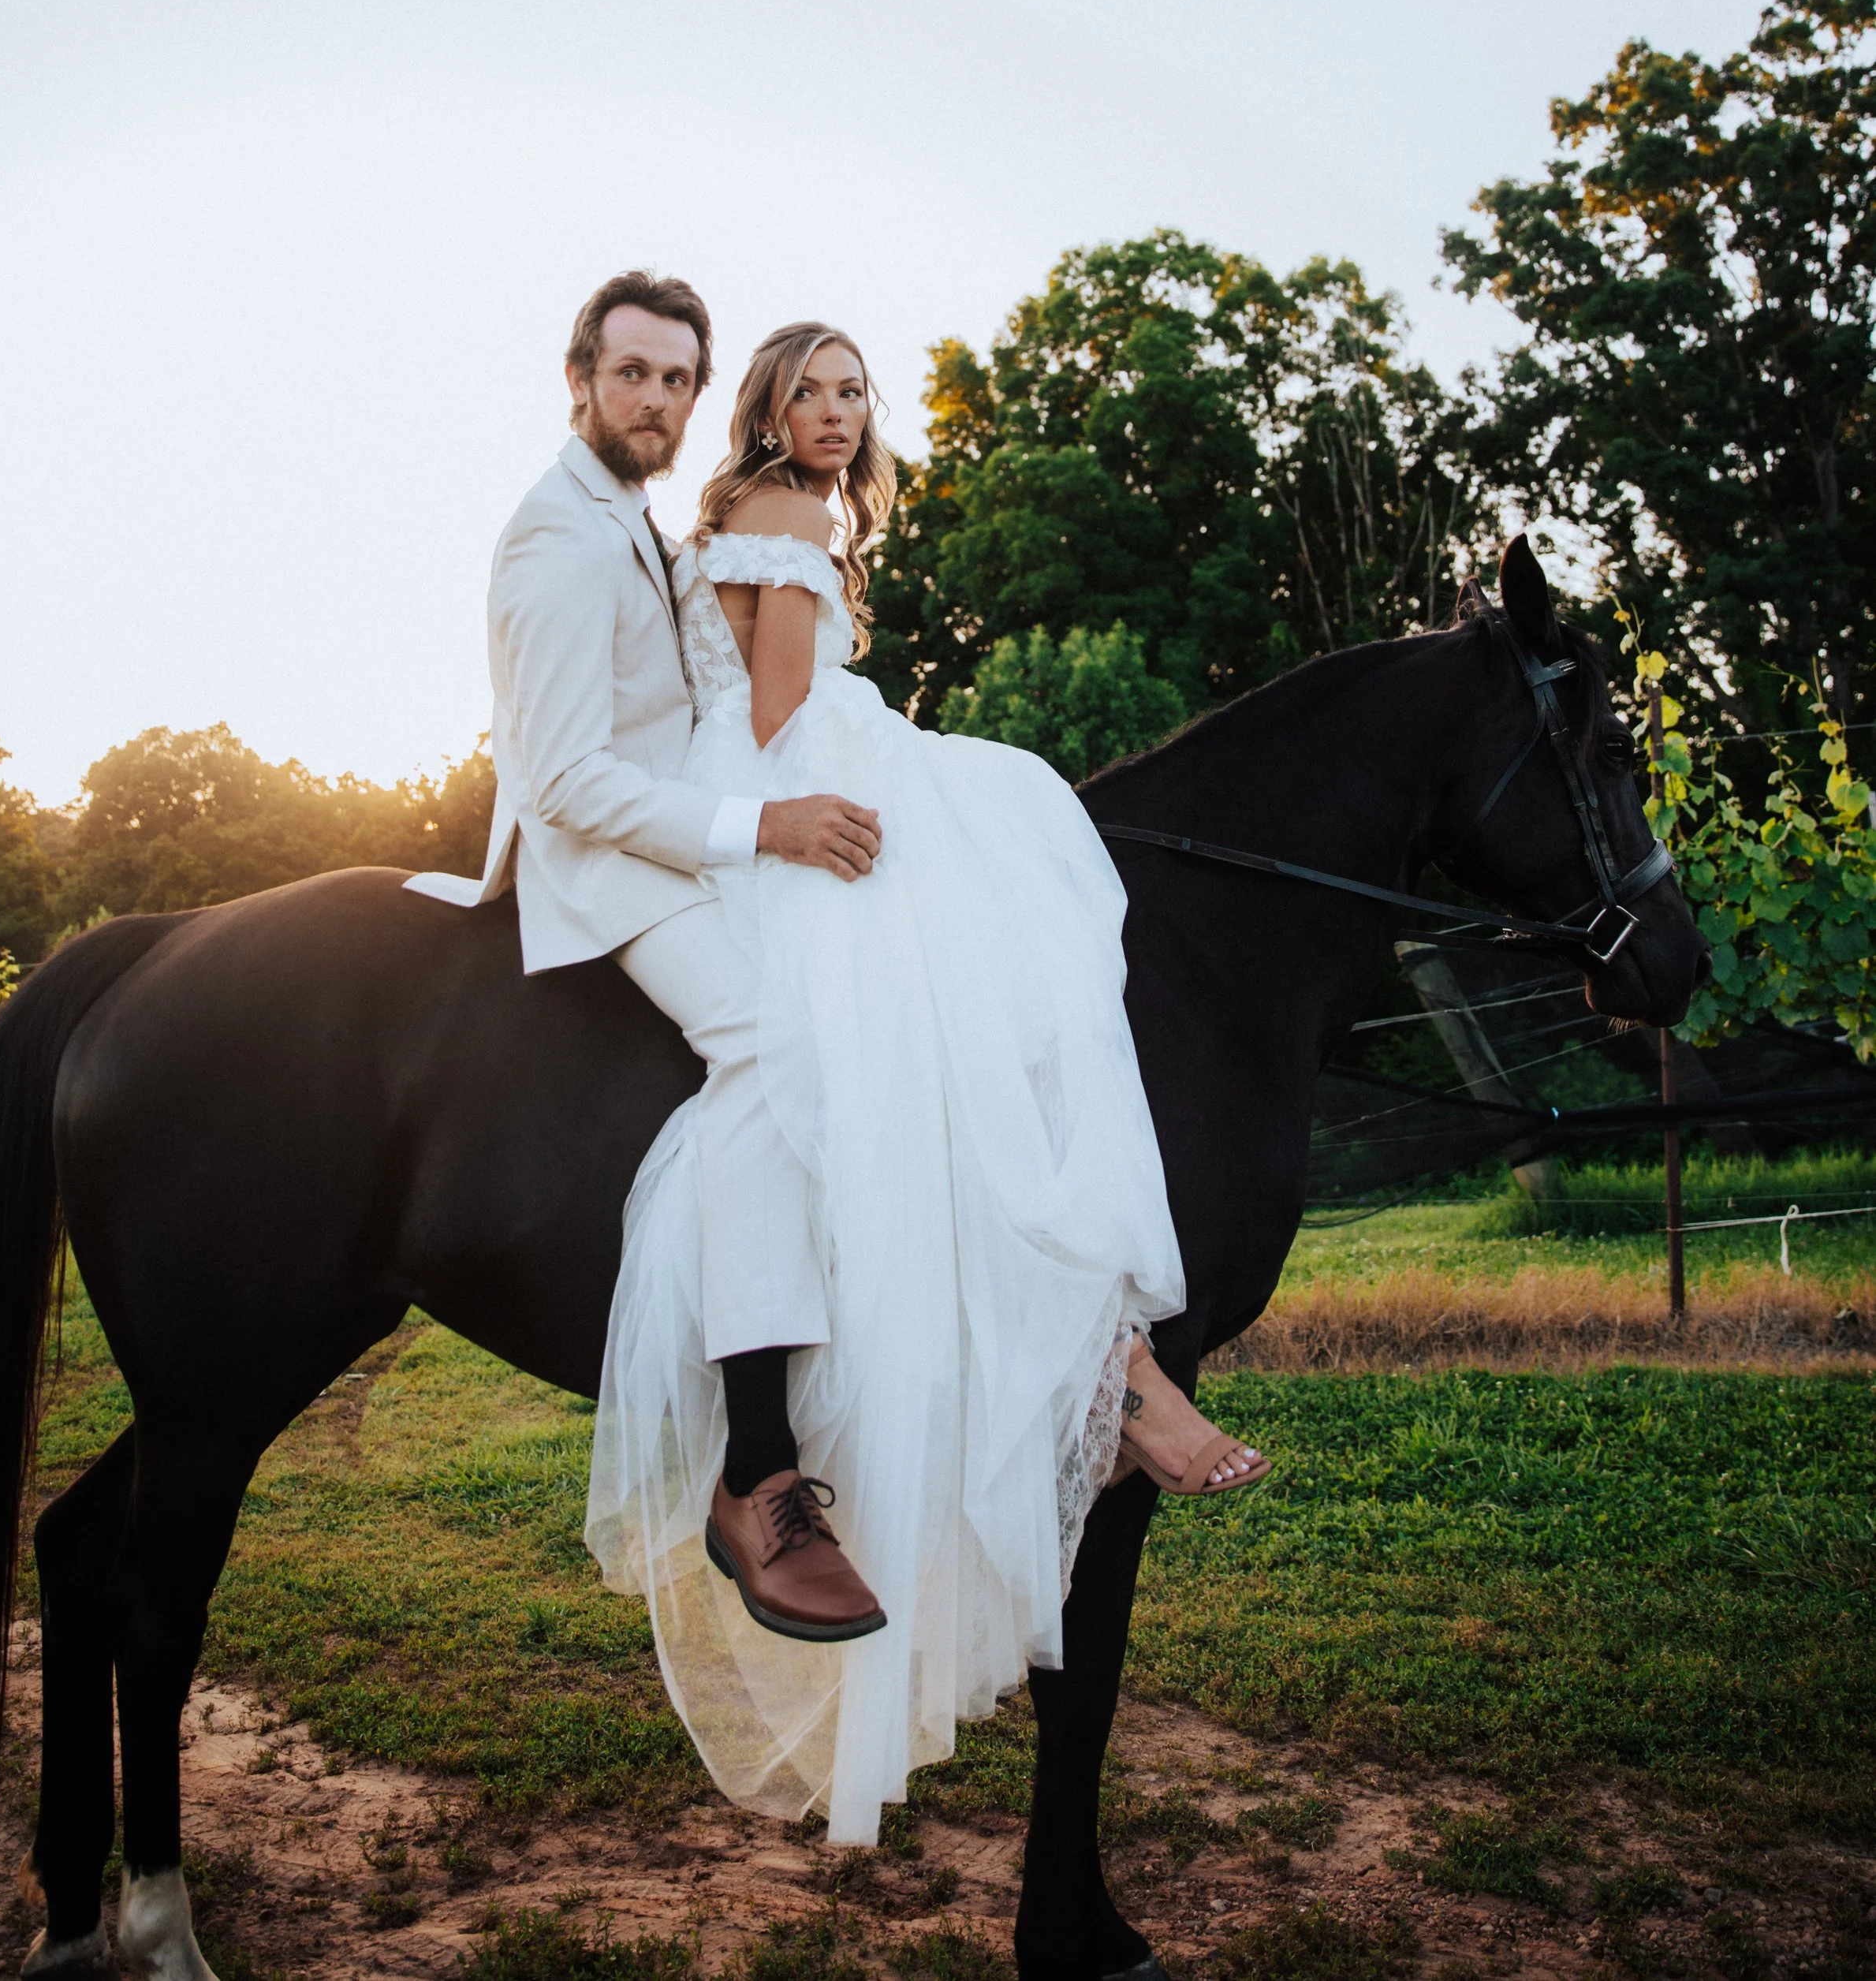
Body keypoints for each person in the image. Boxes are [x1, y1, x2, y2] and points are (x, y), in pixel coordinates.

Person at [584, 320, 1269, 1849]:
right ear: (766, 410)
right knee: (997, 985)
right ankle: (1117, 1369)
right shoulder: (789, 516)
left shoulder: (762, 518)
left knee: (1002, 968)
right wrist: (843, 796)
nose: (833, 417)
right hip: (776, 798)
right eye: (808, 393)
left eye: (851, 397)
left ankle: (1112, 1368)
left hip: (790, 764)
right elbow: (768, 723)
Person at [405, 270, 890, 1633]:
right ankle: (753, 1465)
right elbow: (563, 783)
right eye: (634, 376)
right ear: (581, 382)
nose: (658, 401)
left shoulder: (633, 512)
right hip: (615, 875)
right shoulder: (557, 540)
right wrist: (765, 827)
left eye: (679, 379)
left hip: (680, 831)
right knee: (775, 1047)